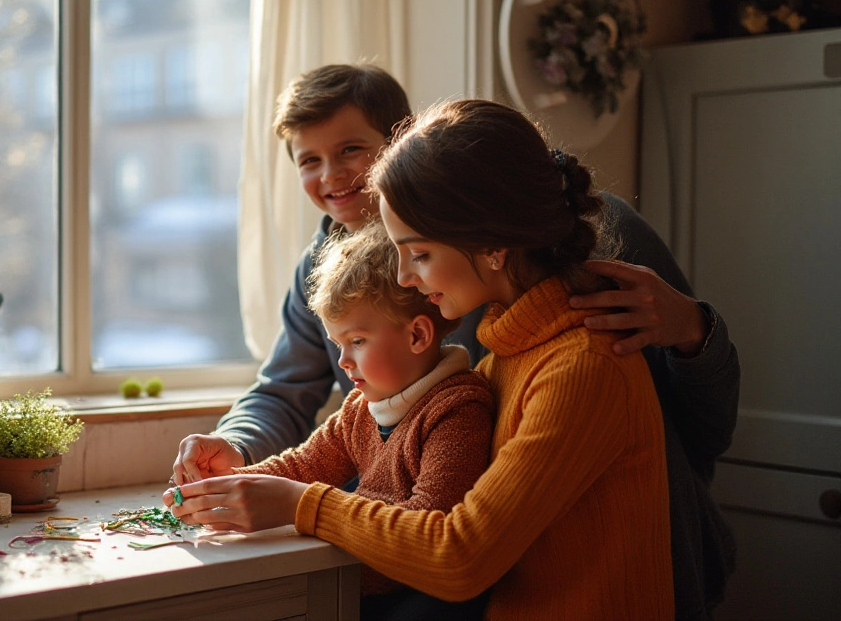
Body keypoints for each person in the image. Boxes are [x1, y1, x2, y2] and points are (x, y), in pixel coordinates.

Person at [172, 65, 738, 621]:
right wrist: (237, 460)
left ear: (401, 140)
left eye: (350, 150)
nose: (403, 277)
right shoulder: (493, 349)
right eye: (309, 160)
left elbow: (695, 429)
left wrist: (692, 330)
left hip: (632, 559)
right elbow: (303, 405)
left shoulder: (578, 312)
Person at [233, 220, 493, 617]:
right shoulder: (359, 408)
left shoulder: (457, 411)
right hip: (358, 592)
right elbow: (302, 467)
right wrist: (230, 479)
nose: (343, 362)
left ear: (418, 336)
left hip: (421, 605)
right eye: (338, 344)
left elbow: (428, 534)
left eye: (356, 341)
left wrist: (315, 509)